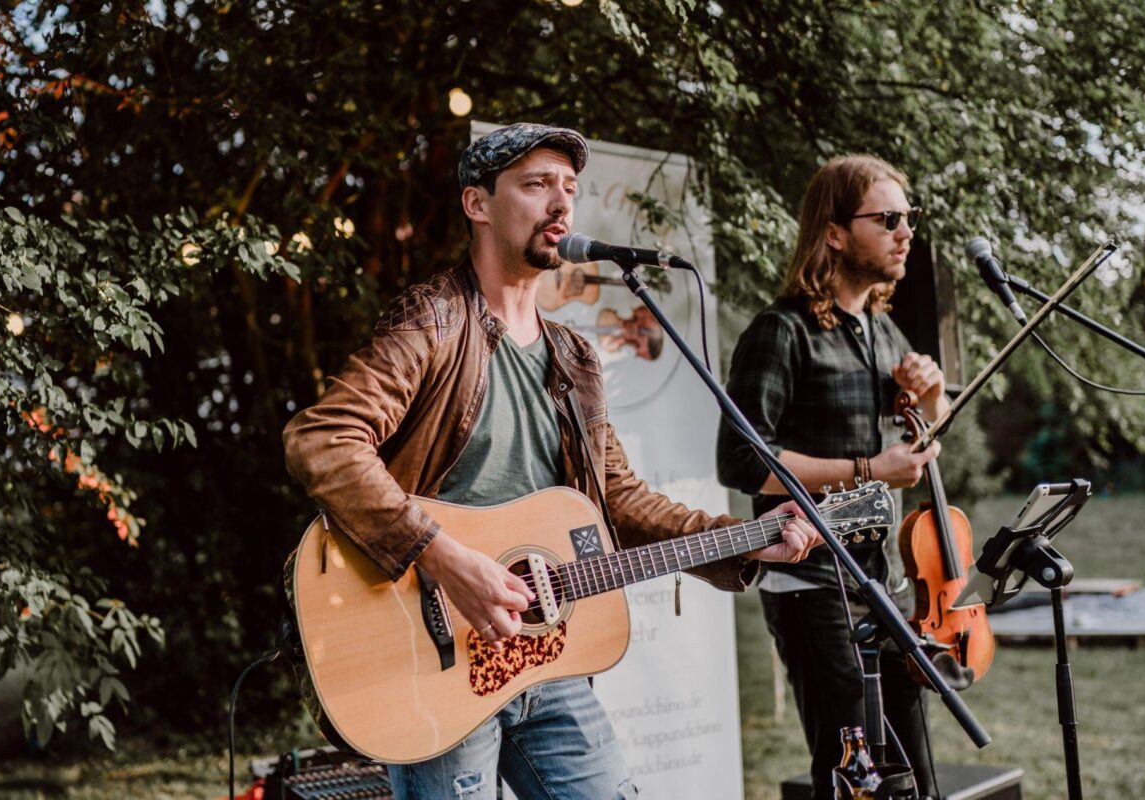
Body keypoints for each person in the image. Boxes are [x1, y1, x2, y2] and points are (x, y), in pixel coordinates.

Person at [282, 122, 822, 800]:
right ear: (478, 204)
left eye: (569, 188)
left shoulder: (574, 357)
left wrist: (748, 540)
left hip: (547, 660)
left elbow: (620, 502)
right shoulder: (434, 323)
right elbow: (322, 441)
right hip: (433, 652)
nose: (561, 204)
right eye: (536, 185)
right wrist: (444, 555)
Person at [716, 154, 949, 799]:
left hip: (886, 582)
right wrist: (871, 470)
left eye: (910, 218)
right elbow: (742, 460)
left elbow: (928, 435)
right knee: (853, 777)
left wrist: (929, 397)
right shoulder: (780, 331)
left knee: (914, 774)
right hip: (812, 582)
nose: (906, 232)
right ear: (836, 232)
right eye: (889, 218)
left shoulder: (879, 327)